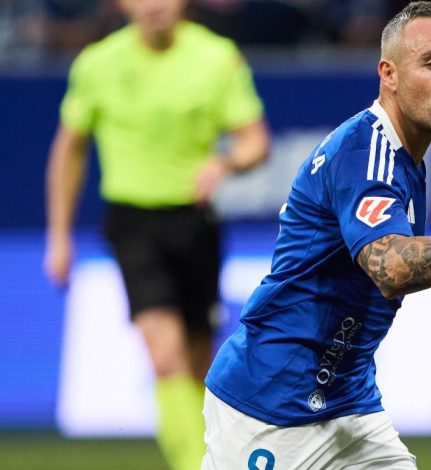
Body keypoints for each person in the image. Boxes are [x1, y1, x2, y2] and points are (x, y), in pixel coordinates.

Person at [203, 2, 431, 469]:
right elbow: (391, 267)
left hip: (347, 401)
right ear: (389, 74)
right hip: (273, 405)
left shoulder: (405, 158)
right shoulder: (366, 154)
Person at [42, 1, 270, 469]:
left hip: (194, 222)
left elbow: (255, 141)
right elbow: (69, 150)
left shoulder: (216, 56)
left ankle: (217, 454)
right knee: (164, 356)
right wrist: (59, 237)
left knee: (200, 363)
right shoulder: (98, 64)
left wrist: (225, 162)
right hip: (133, 224)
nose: (154, 5)